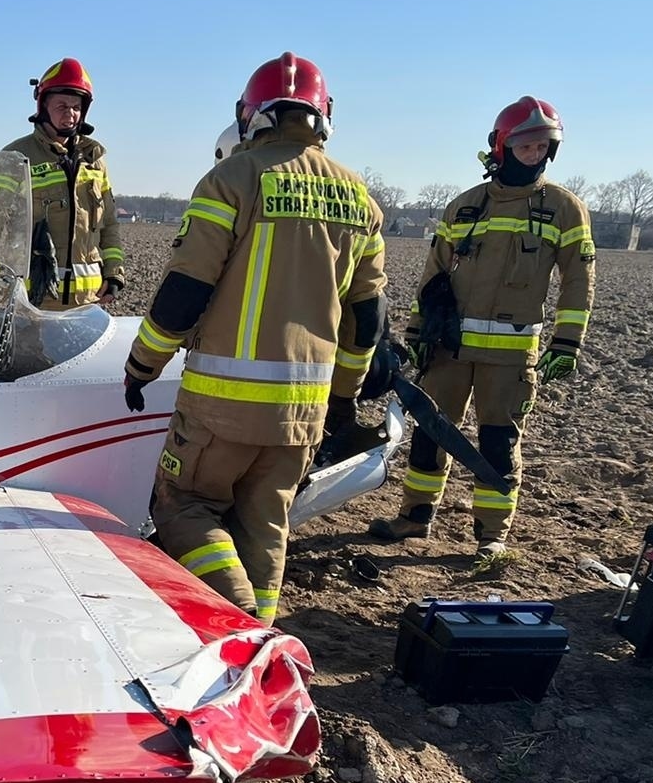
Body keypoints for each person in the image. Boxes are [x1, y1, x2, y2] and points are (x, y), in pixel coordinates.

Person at [122, 53, 386, 622]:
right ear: (323, 116)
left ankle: (238, 620)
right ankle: (262, 635)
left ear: (251, 114)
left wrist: (142, 364)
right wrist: (344, 395)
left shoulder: (232, 179)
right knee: (266, 522)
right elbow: (367, 317)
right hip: (304, 408)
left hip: (223, 403)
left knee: (184, 506)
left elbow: (185, 291)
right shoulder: (360, 198)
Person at [369, 96, 595, 556]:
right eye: (525, 146)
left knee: (498, 444)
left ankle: (491, 537)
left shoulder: (564, 209)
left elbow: (578, 280)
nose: (534, 154)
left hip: (510, 357)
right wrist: (417, 333)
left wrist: (567, 342)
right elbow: (433, 276)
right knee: (431, 432)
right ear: (502, 146)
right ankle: (415, 517)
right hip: (448, 350)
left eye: (543, 147)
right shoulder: (465, 206)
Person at [0, 58, 124, 309]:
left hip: (87, 304)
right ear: (43, 105)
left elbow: (109, 223)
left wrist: (114, 272)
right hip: (32, 302)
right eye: (62, 105)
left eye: (76, 106)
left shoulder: (95, 159)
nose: (70, 113)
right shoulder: (15, 158)